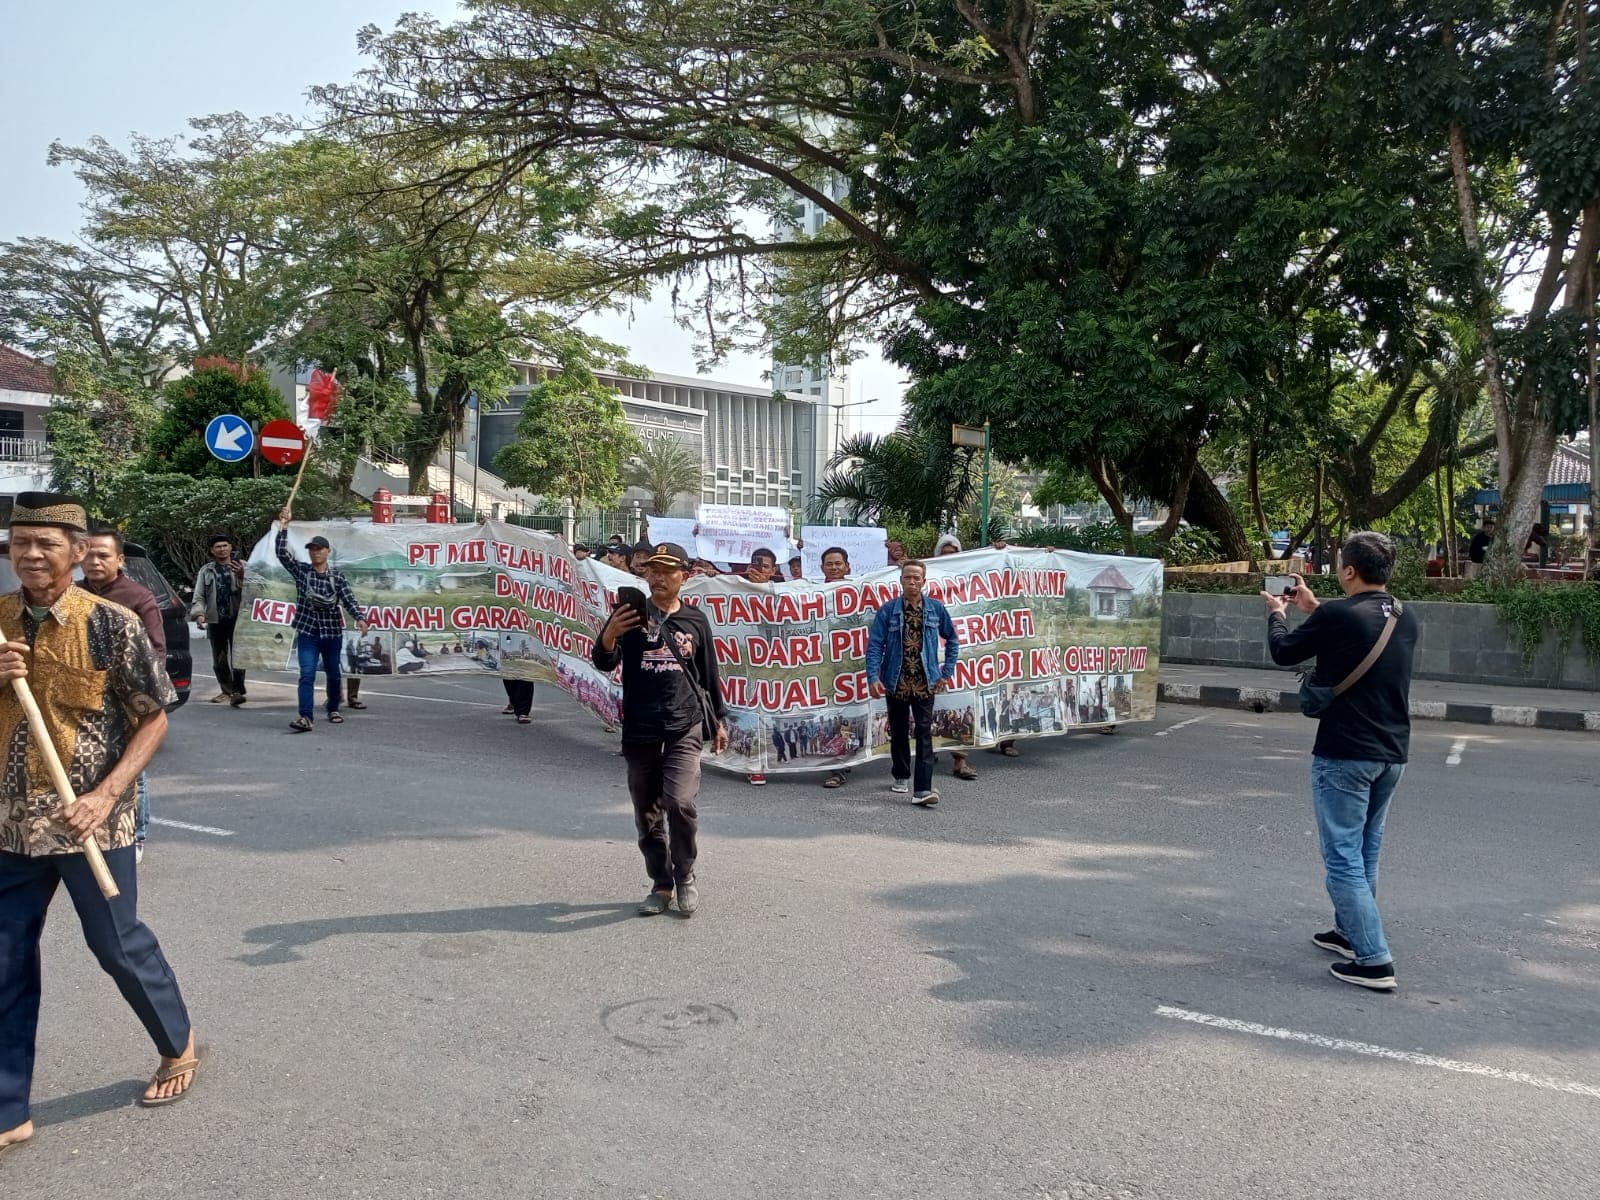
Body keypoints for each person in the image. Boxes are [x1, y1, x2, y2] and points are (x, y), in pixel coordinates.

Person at [0, 493, 201, 1162]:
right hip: (11, 828)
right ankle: (8, 1107)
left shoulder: (110, 625)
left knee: (118, 946)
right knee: (4, 962)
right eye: (20, 541)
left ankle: (177, 1043)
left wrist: (107, 793)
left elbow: (154, 717)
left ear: (78, 552)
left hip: (92, 825)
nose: (30, 554)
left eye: (46, 543)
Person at [1263, 531, 1420, 992]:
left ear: (1349, 570)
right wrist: (1313, 608)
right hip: (1392, 752)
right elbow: (1356, 632)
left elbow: (1283, 652)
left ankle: (1374, 960)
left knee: (1343, 857)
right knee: (1365, 849)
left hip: (1346, 752)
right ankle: (1350, 932)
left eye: (1339, 563)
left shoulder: (1338, 615)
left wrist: (1277, 613)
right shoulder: (1405, 616)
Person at [592, 542, 728, 917]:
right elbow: (604, 661)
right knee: (647, 813)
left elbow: (708, 674)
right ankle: (661, 883)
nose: (658, 578)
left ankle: (684, 876)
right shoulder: (630, 615)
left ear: (684, 576)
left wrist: (719, 721)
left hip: (684, 723)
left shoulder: (696, 620)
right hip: (640, 726)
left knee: (680, 802)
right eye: (652, 570)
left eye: (668, 571)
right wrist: (609, 636)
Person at [81, 528, 167, 865]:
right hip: (84, 701)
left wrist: (142, 698)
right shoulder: (72, 595)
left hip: (128, 699)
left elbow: (156, 651)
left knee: (133, 769)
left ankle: (137, 835)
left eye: (103, 555)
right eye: (88, 554)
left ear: (119, 560)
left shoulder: (137, 597)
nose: (95, 561)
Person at [866, 559, 959, 807]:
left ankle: (922, 789)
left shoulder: (936, 609)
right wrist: (873, 677)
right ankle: (900, 774)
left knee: (925, 732)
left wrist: (946, 672)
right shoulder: (888, 610)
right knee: (897, 730)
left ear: (924, 581)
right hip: (895, 680)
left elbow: (953, 640)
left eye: (917, 577)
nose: (912, 582)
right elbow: (875, 645)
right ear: (901, 581)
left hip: (925, 681)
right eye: (908, 577)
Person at [275, 509, 370, 732]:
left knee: (334, 673)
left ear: (328, 551)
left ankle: (334, 708)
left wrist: (360, 618)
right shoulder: (302, 572)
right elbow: (282, 553)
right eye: (312, 549)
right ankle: (305, 717)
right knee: (306, 673)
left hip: (332, 633)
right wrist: (284, 526)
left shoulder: (337, 577)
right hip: (308, 632)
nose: (315, 553)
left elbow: (349, 600)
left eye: (319, 549)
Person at [190, 532, 247, 706]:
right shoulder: (206, 570)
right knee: (219, 659)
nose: (222, 549)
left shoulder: (243, 566)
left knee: (239, 658)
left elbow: (257, 589)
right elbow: (199, 595)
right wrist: (199, 614)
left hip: (239, 619)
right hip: (216, 620)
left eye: (224, 545)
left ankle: (237, 691)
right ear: (212, 551)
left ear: (230, 547)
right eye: (218, 547)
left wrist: (242, 575)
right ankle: (227, 690)